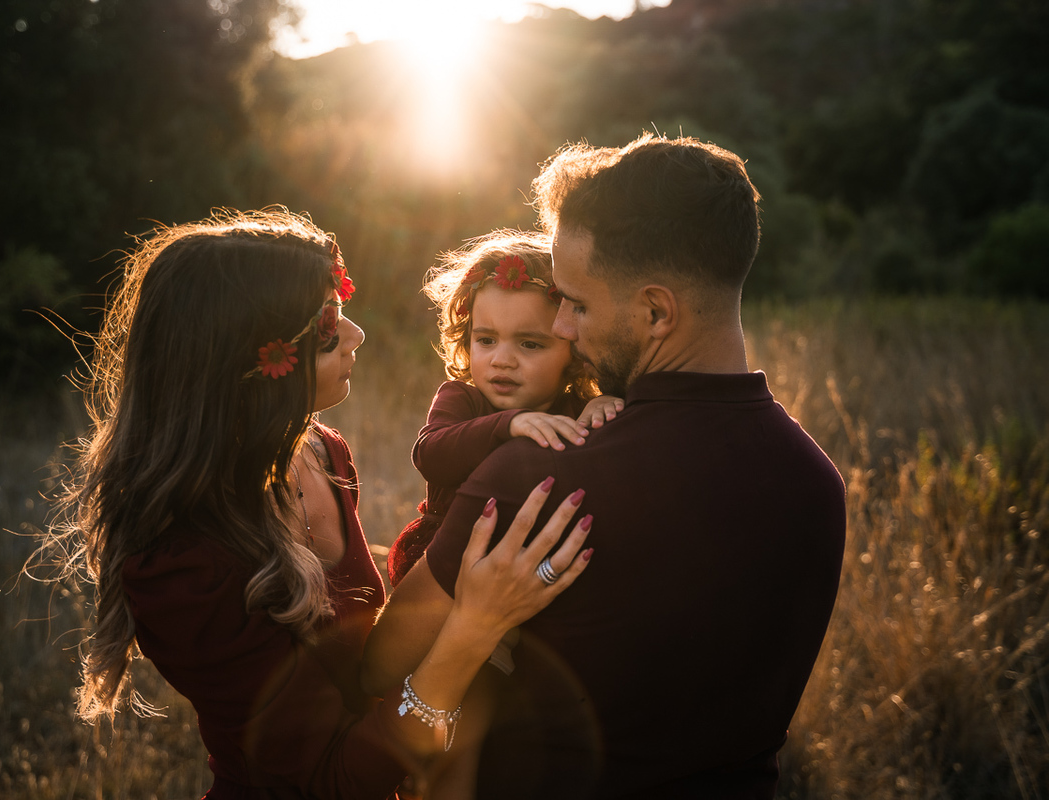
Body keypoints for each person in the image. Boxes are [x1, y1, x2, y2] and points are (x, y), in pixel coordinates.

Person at [48, 208, 597, 800]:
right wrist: (476, 624)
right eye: (330, 327)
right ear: (252, 360)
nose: (359, 335)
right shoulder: (182, 565)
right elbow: (328, 781)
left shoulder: (319, 452)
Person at [362, 135, 847, 799]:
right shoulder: (817, 483)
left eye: (578, 304)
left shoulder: (538, 481)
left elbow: (380, 670)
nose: (562, 327)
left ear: (655, 312)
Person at [387, 230, 623, 588]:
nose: (502, 360)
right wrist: (510, 424)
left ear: (573, 351)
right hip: (447, 573)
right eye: (486, 339)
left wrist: (601, 408)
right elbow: (430, 453)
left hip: (533, 571)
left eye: (529, 344)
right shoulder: (461, 399)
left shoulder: (576, 409)